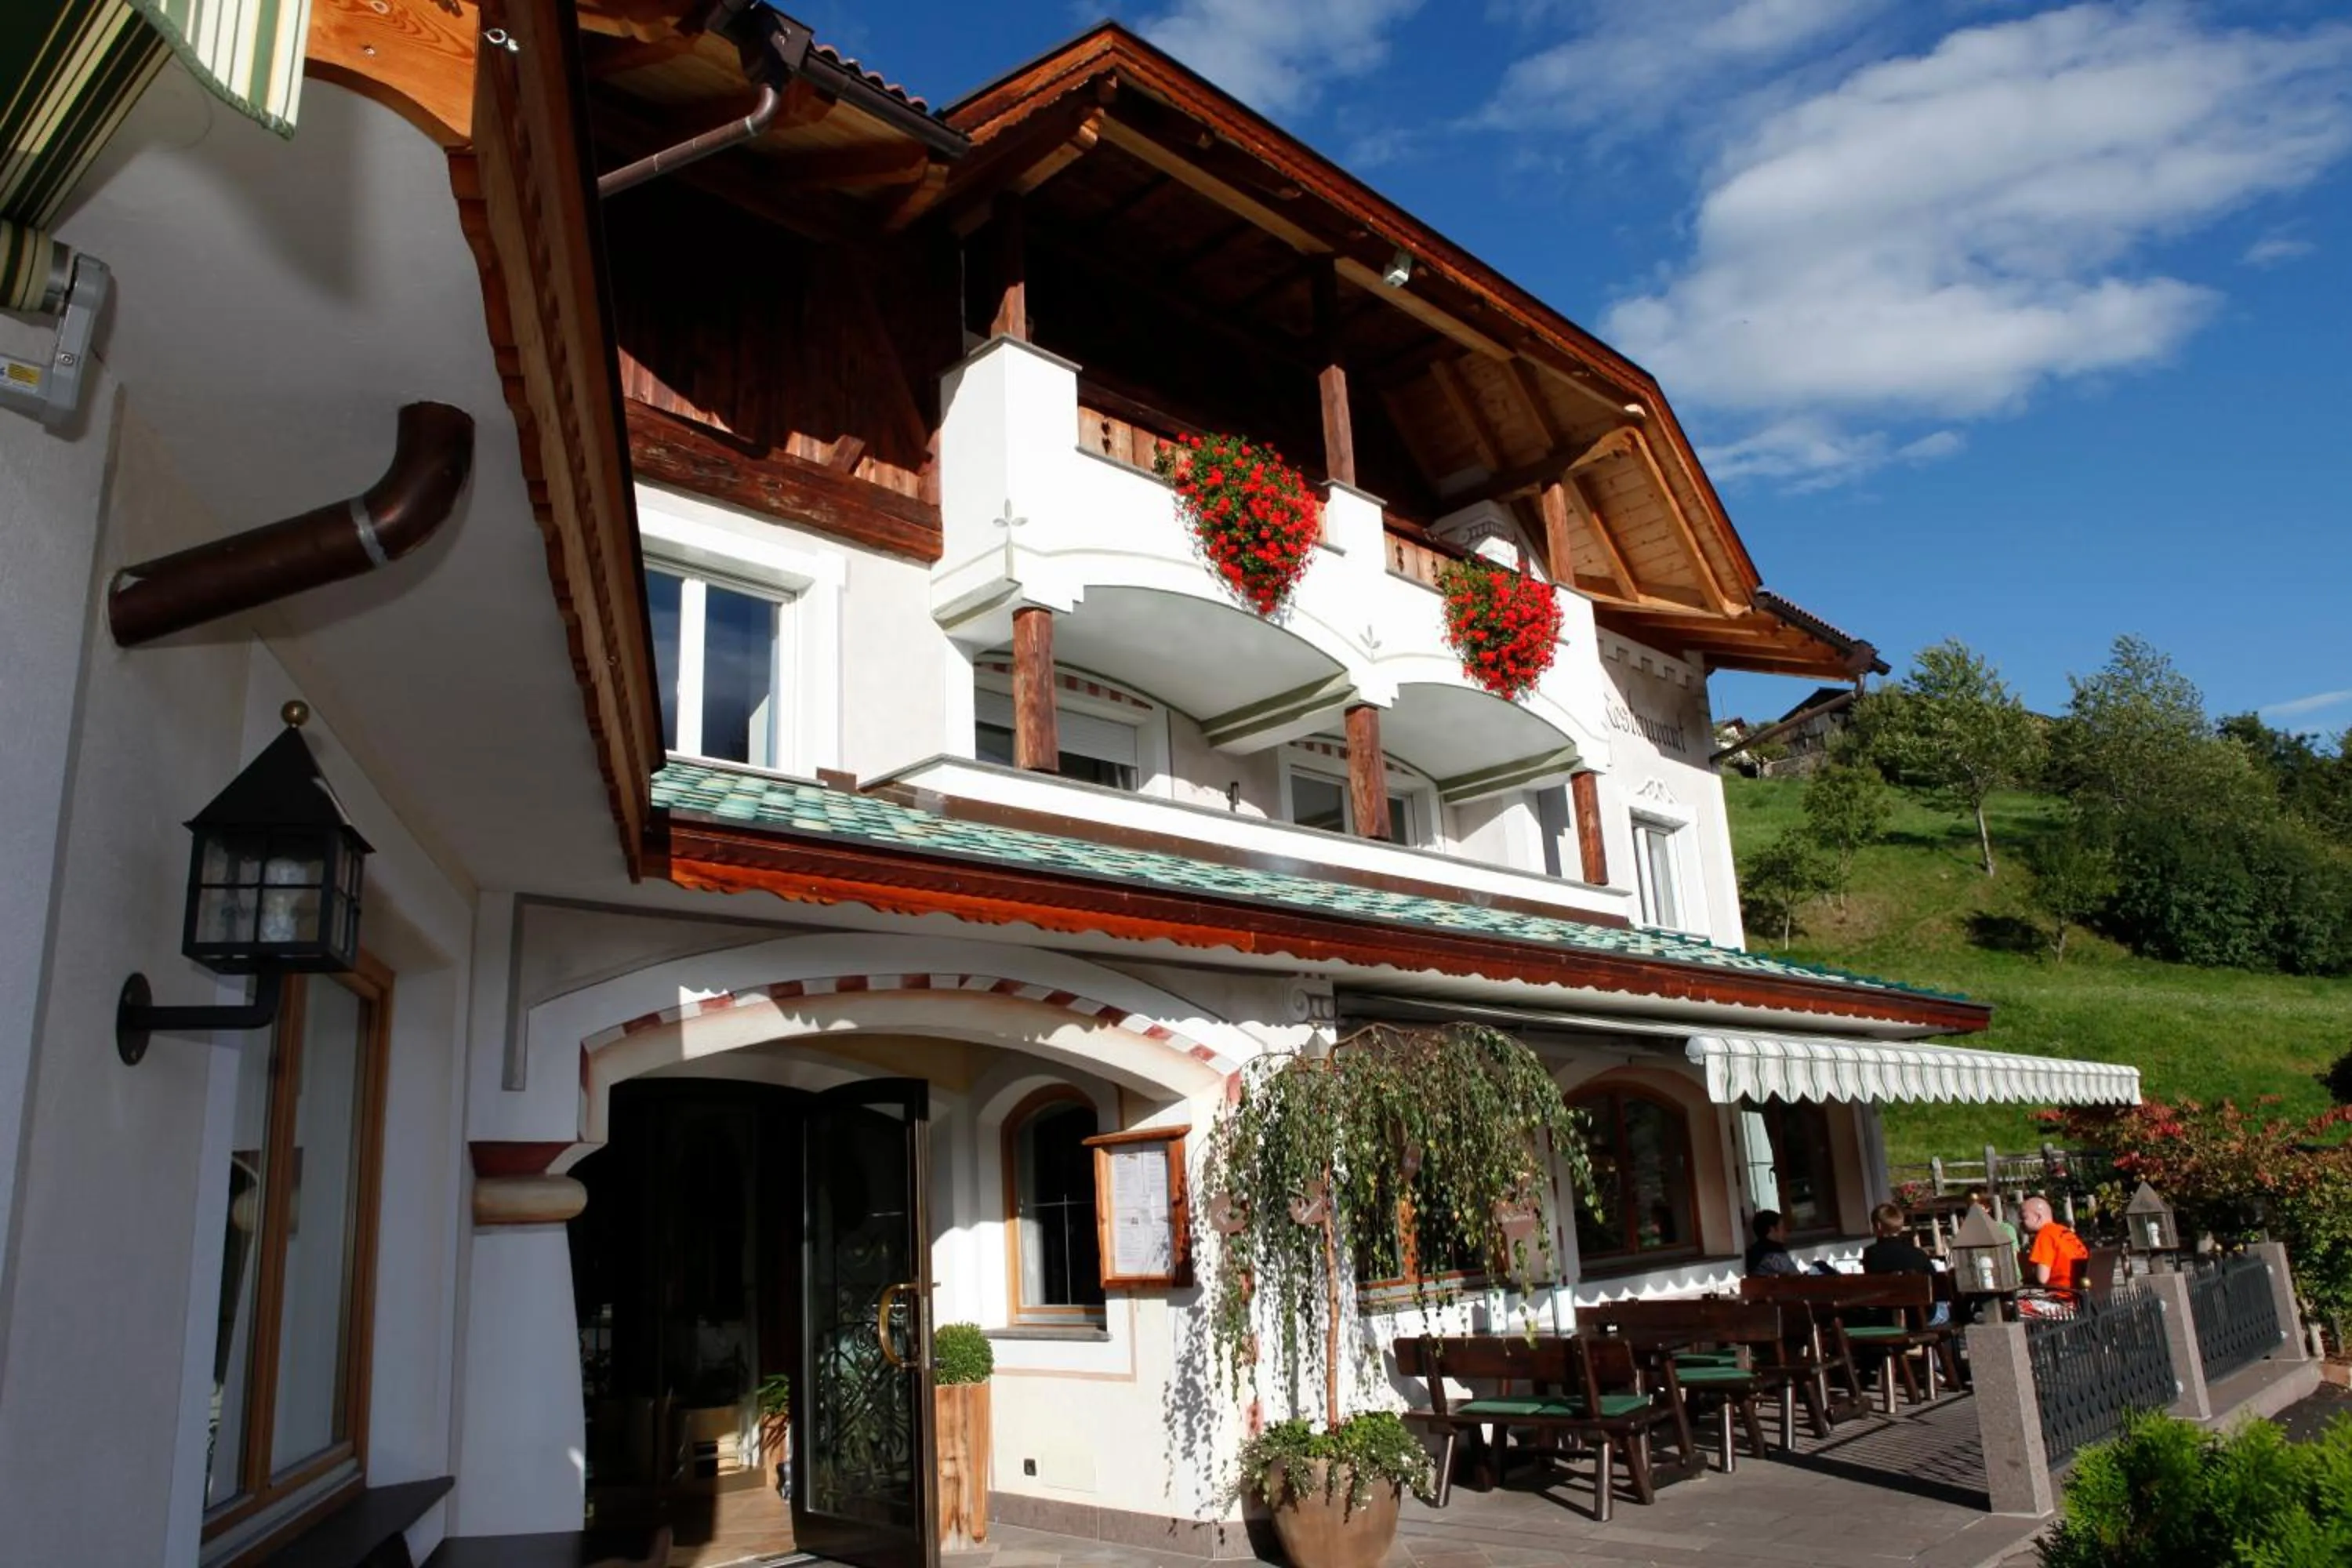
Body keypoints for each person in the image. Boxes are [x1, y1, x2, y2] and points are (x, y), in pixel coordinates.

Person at [1860, 1201, 1950, 1327]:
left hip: (1889, 1316)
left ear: (1878, 1226)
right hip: (1924, 1316)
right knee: (1942, 1304)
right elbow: (1936, 1285)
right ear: (1901, 1227)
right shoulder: (1918, 1254)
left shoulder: (1870, 1254)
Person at [2017, 1196, 2090, 1319]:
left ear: (2038, 1217)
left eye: (2024, 1218)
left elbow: (2042, 1278)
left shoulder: (2045, 1234)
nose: (2021, 1223)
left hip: (2064, 1301)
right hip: (2082, 1298)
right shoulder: (2065, 1231)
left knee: (2009, 1308)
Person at [1745, 1208, 1799, 1276]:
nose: (1785, 1232)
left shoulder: (1756, 1254)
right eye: (1782, 1227)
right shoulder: (1776, 1258)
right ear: (1772, 1230)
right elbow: (1799, 1280)